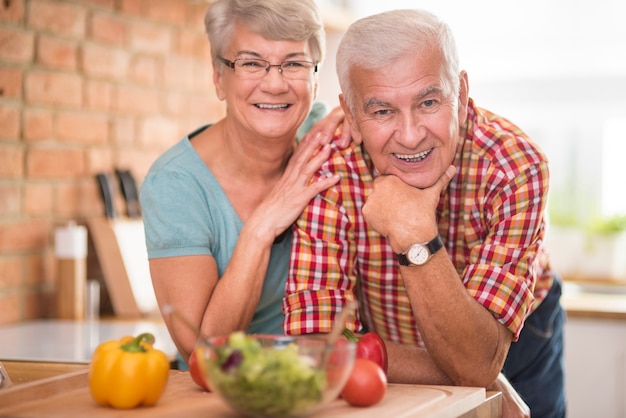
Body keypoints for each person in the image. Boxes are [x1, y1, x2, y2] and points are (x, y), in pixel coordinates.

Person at [284, 8, 565, 418]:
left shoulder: (516, 166)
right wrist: (475, 370)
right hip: (396, 348)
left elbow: (480, 360)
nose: (411, 134)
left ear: (462, 93)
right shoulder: (329, 169)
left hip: (517, 339)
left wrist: (414, 233)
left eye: (429, 101)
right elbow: (314, 343)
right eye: (382, 111)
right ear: (351, 113)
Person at [139, 0, 345, 368]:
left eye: (294, 63)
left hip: (317, 386)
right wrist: (262, 227)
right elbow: (202, 355)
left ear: (315, 78)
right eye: (251, 63)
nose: (275, 83)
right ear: (219, 78)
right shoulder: (175, 184)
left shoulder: (324, 139)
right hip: (227, 395)